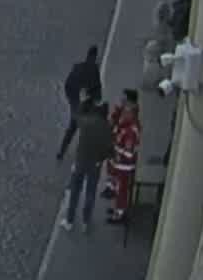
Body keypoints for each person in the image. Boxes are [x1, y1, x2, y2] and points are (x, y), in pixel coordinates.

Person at [63, 101, 114, 231]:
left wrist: (84, 102)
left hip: (81, 162)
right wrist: (101, 158)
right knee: (90, 192)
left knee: (75, 191)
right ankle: (86, 221)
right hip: (95, 164)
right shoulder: (107, 127)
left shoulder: (86, 122)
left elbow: (76, 115)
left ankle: (69, 220)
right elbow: (109, 149)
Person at [58, 46, 103, 158]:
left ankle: (61, 151)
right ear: (95, 57)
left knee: (71, 129)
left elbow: (67, 86)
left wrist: (73, 102)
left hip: (75, 106)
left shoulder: (77, 67)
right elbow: (98, 95)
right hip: (86, 108)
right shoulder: (94, 70)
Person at [106, 89, 142, 223]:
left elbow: (129, 152)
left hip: (125, 166)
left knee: (122, 191)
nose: (124, 113)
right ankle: (117, 209)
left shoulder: (131, 131)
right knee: (118, 187)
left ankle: (120, 214)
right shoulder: (126, 124)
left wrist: (117, 148)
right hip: (119, 163)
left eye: (127, 111)